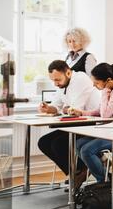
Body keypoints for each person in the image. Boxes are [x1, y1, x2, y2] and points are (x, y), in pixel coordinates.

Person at [69, 62, 113, 184]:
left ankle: (104, 183)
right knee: (79, 144)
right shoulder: (110, 89)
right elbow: (100, 111)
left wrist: (105, 91)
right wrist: (81, 112)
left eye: (96, 83)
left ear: (107, 80)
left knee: (86, 150)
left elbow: (105, 114)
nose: (94, 86)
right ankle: (109, 178)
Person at [37, 60, 100, 190]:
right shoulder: (62, 84)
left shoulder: (81, 79)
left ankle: (82, 169)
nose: (55, 83)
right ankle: (79, 170)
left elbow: (74, 109)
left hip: (92, 123)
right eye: (53, 81)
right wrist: (48, 108)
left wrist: (65, 109)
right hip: (77, 124)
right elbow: (58, 106)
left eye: (57, 80)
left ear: (68, 72)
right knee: (43, 142)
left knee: (58, 144)